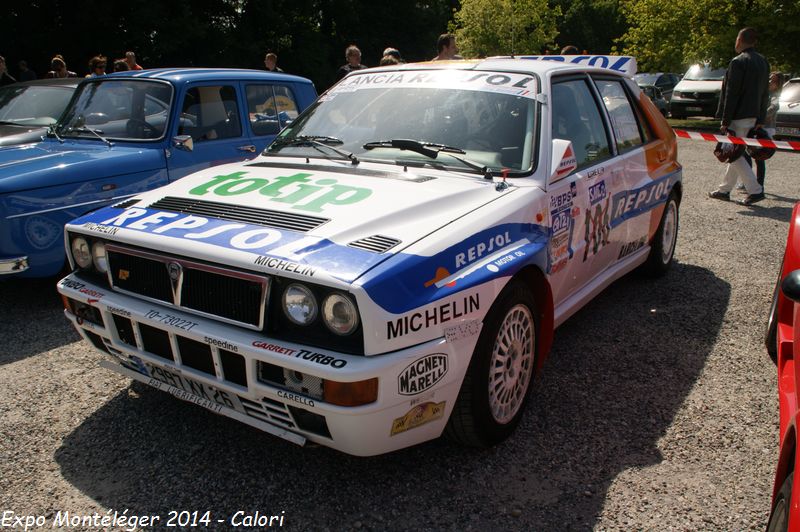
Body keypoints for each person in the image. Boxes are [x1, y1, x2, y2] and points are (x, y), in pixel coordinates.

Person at [707, 27, 769, 206]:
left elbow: (731, 93)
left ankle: (755, 190)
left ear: (740, 40)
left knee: (734, 155)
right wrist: (761, 119)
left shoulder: (738, 62)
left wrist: (725, 120)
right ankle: (724, 190)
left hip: (738, 116)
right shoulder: (763, 62)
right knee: (736, 152)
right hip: (753, 116)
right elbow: (765, 94)